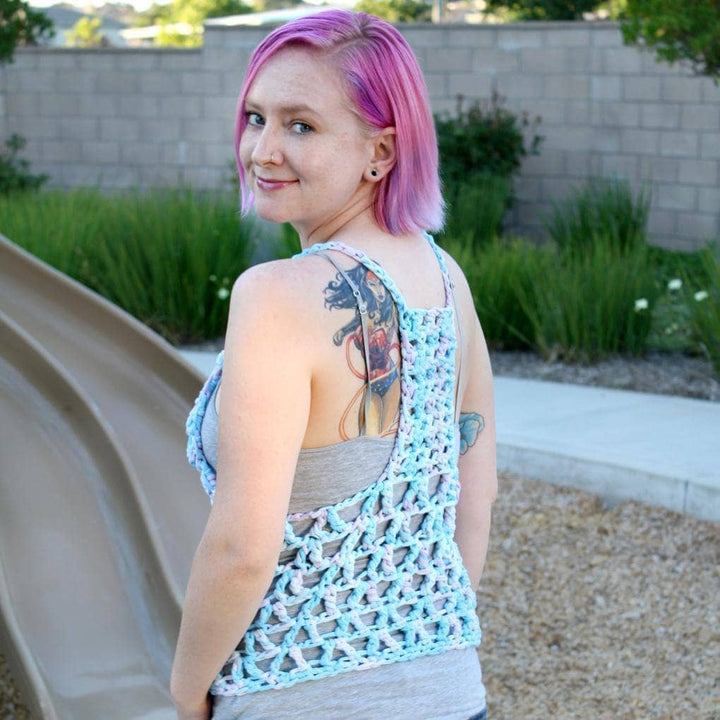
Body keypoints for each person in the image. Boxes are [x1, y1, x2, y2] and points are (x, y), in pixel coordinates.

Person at [170, 9, 497, 720]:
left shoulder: (277, 297)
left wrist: (187, 688)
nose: (262, 150)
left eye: (301, 125)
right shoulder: (446, 282)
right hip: (452, 694)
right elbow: (476, 491)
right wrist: (419, 638)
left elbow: (241, 549)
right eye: (256, 117)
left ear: (380, 151)